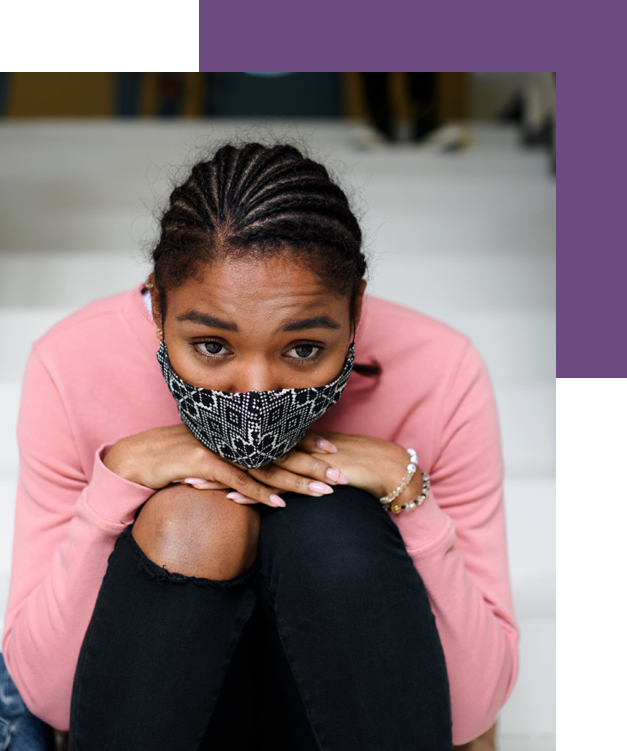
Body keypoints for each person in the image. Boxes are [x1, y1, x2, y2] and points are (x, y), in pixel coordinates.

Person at [0, 142, 518, 750]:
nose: (256, 391)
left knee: (329, 515)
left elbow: (473, 710)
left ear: (355, 311)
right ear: (159, 305)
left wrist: (409, 495)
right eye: (212, 346)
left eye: (302, 349)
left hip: (352, 714)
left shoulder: (441, 370)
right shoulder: (72, 364)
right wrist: (118, 482)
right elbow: (51, 698)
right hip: (158, 715)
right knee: (194, 519)